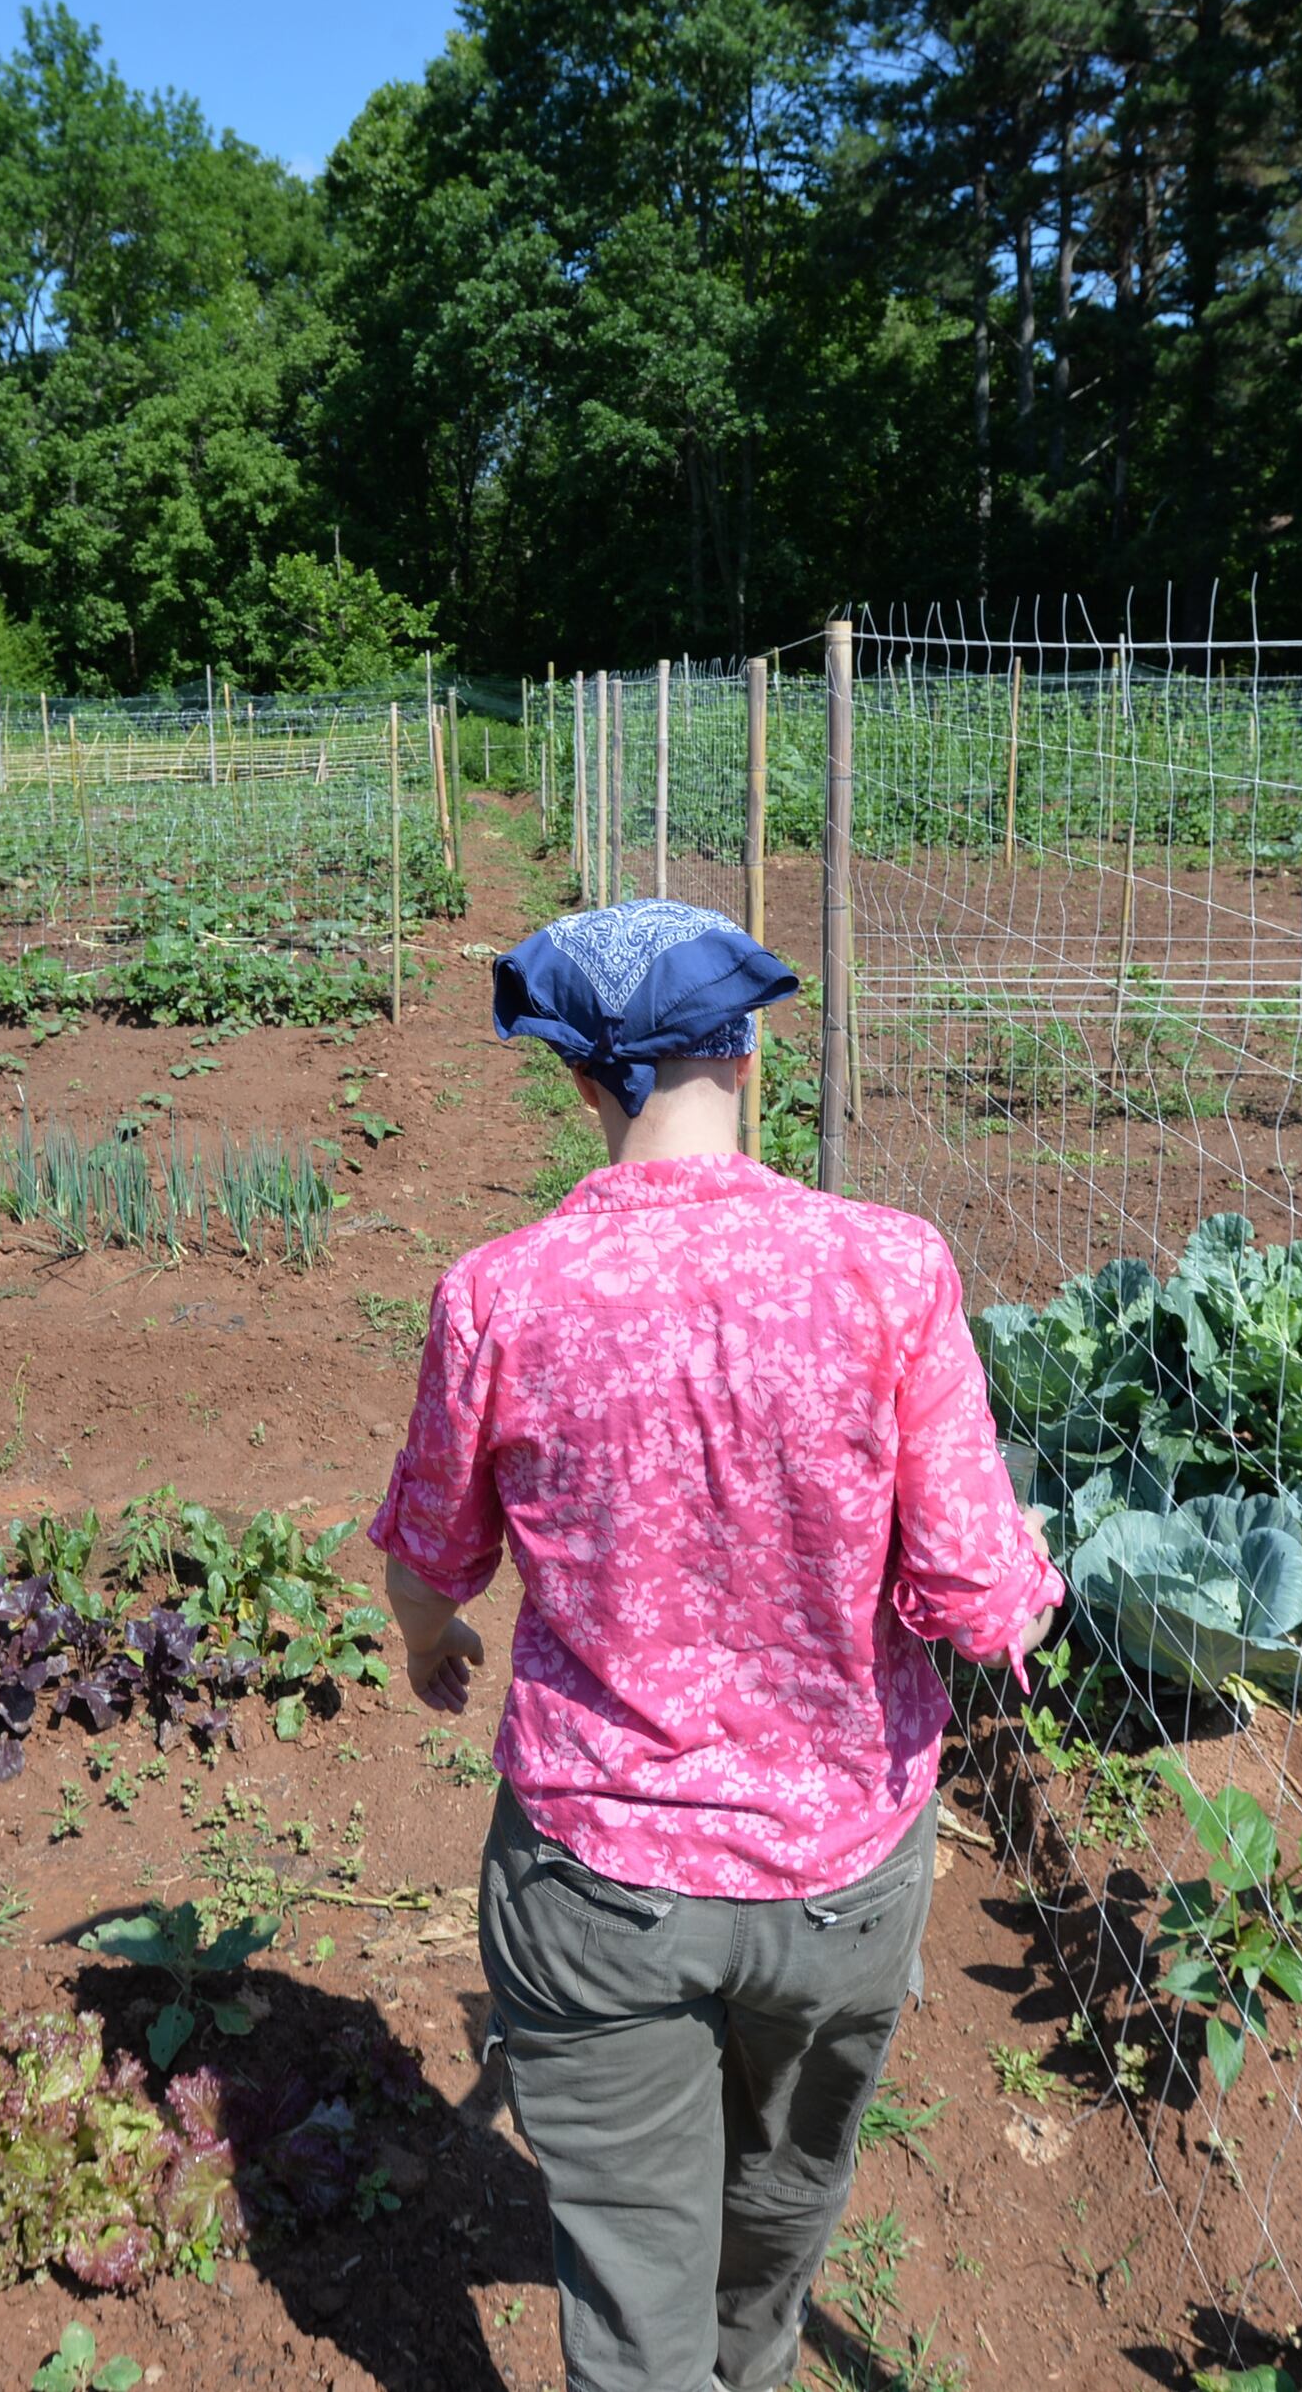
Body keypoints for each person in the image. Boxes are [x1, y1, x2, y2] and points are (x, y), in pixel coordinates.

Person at [372, 896, 1065, 2392]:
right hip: (843, 1871)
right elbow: (971, 1586)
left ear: (578, 1082)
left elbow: (429, 1562)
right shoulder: (891, 1270)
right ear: (749, 1056)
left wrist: (429, 1649)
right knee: (782, 2208)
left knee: (630, 2263)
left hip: (598, 1874)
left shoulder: (499, 1294)